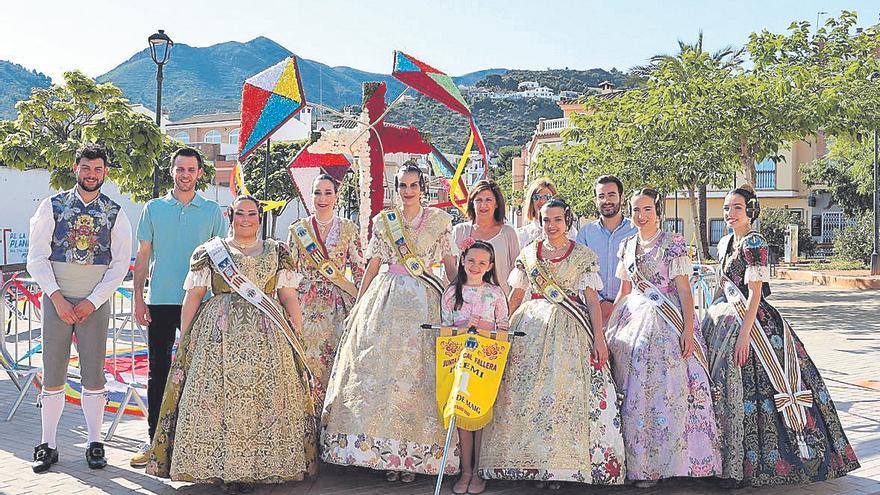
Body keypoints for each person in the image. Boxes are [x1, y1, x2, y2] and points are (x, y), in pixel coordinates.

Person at [146, 196, 316, 493]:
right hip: (217, 335)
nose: (246, 219)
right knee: (218, 402)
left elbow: (288, 296)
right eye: (240, 214)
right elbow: (194, 296)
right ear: (230, 215)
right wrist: (185, 339)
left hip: (269, 333)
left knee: (265, 401)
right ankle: (221, 467)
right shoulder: (210, 252)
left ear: (259, 218)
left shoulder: (279, 252)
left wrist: (296, 333)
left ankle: (264, 465)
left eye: (252, 214)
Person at [702, 185, 859, 488]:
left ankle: (763, 464)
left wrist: (745, 336)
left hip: (756, 324)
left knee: (763, 388)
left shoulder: (754, 242)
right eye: (726, 208)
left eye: (737, 207)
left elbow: (755, 293)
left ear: (750, 210)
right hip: (723, 322)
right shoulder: (724, 243)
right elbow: (722, 288)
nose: (730, 213)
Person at [321, 163, 459, 483]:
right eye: (402, 186)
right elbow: (374, 264)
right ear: (396, 189)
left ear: (422, 187)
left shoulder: (439, 221)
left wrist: (458, 300)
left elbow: (450, 265)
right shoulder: (385, 223)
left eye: (413, 185)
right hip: (386, 301)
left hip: (426, 303)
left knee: (417, 376)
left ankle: (413, 457)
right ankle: (381, 453)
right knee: (380, 372)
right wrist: (360, 300)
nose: (408, 191)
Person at [480, 198, 625, 489]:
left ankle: (560, 465)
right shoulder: (529, 254)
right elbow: (517, 295)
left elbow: (592, 300)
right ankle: (530, 463)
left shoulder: (582, 255)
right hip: (529, 328)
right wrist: (502, 327)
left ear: (567, 220)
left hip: (570, 331)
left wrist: (599, 336)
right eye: (546, 219)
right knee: (524, 394)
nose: (551, 225)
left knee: (562, 395)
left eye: (557, 219)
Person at [605, 188, 720, 488]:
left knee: (672, 392)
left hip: (668, 322)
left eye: (647, 210)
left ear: (657, 211)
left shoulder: (673, 244)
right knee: (637, 395)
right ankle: (644, 466)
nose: (641, 216)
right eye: (635, 210)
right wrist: (609, 329)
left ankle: (683, 462)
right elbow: (624, 291)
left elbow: (685, 291)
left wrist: (687, 329)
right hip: (634, 322)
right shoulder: (627, 245)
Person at [27, 144, 132, 472]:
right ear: (76, 168)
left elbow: (119, 265)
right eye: (86, 168)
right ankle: (48, 444)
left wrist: (91, 301)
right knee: (53, 371)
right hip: (56, 299)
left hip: (94, 304)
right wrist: (56, 297)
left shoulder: (115, 213)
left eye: (98, 169)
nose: (91, 174)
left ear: (106, 172)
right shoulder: (52, 206)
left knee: (94, 374)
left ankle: (94, 443)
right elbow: (36, 257)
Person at [130, 147, 227, 468]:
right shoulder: (153, 209)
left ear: (200, 173)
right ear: (172, 171)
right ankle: (154, 442)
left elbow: (223, 263)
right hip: (160, 302)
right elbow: (142, 258)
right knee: (157, 373)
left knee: (202, 373)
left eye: (191, 169)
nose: (185, 174)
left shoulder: (213, 211)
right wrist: (138, 298)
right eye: (180, 169)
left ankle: (197, 443)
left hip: (201, 305)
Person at [287, 174, 364, 408]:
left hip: (338, 305)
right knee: (306, 360)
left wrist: (361, 302)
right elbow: (288, 272)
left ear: (336, 196)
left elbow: (359, 269)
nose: (322, 198)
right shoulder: (298, 230)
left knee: (335, 361)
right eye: (317, 192)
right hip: (304, 304)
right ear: (310, 196)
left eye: (328, 192)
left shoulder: (349, 229)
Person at [441, 241, 509, 495]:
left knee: (480, 416)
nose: (476, 266)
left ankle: (478, 470)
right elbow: (444, 329)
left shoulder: (495, 293)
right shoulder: (451, 293)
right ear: (462, 261)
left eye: (482, 262)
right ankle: (465, 471)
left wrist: (485, 329)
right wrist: (462, 327)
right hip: (458, 363)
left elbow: (503, 326)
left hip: (486, 362)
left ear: (490, 266)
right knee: (462, 414)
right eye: (471, 261)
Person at [576, 175, 637, 322]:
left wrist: (619, 305)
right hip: (593, 310)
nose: (606, 201)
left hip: (632, 310)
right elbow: (579, 273)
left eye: (611, 195)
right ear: (595, 201)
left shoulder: (636, 231)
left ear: (621, 198)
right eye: (601, 196)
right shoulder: (585, 234)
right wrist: (600, 303)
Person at [452, 179, 519, 295]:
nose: (483, 205)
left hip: (500, 301)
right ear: (472, 203)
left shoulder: (508, 233)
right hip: (465, 301)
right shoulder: (460, 231)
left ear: (496, 203)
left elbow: (517, 272)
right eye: (478, 200)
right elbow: (451, 269)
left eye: (488, 200)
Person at [515, 177, 574, 248]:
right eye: (537, 197)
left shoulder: (568, 231)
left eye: (547, 197)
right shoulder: (521, 235)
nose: (542, 201)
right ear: (531, 202)